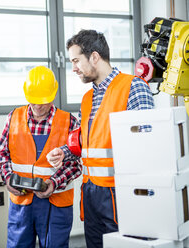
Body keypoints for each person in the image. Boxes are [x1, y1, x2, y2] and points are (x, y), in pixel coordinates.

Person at [46, 29, 155, 248]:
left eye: (76, 60)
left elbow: (149, 146)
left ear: (94, 56)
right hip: (91, 195)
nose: (74, 68)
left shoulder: (134, 87)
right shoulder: (87, 98)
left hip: (122, 195)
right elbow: (87, 142)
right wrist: (64, 152)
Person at [0, 66, 82, 248]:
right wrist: (9, 179)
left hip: (56, 203)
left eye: (43, 101)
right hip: (21, 203)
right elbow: (2, 154)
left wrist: (54, 183)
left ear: (53, 94)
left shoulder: (69, 122)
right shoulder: (13, 118)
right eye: (33, 101)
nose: (38, 106)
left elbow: (76, 165)